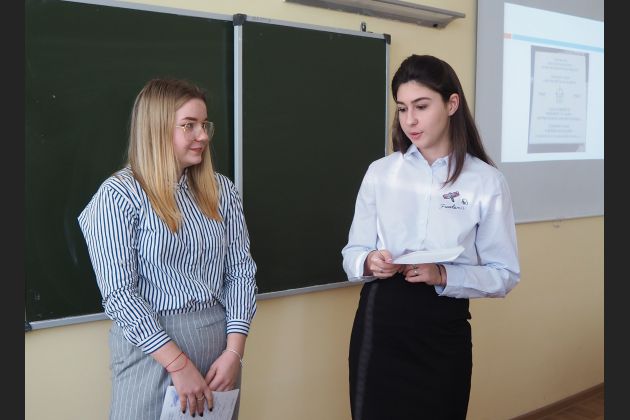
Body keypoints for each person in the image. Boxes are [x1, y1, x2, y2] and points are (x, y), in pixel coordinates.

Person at [342, 54, 520, 420]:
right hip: (380, 321)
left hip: (443, 329)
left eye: (421, 106)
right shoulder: (381, 173)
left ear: (452, 104)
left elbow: (504, 274)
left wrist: (443, 274)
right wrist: (369, 261)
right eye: (402, 108)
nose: (410, 120)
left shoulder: (486, 181)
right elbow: (353, 252)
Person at [78, 78, 257, 420]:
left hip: (219, 352)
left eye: (204, 125)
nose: (202, 135)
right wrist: (178, 364)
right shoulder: (118, 196)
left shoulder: (221, 190)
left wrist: (234, 353)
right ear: (157, 128)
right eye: (189, 125)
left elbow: (240, 273)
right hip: (153, 352)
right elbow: (119, 295)